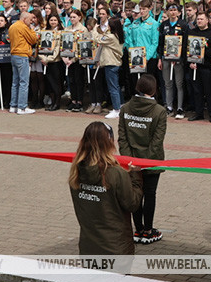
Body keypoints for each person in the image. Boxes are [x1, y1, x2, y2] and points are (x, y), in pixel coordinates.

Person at [69, 122, 142, 255]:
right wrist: (135, 177)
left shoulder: (76, 172)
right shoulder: (116, 173)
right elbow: (132, 204)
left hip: (88, 248)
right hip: (116, 249)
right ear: (109, 143)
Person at [117, 74, 167, 244]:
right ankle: (147, 230)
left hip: (131, 162)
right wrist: (145, 163)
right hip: (151, 162)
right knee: (150, 194)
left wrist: (129, 160)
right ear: (153, 90)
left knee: (136, 194)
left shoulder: (125, 108)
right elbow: (157, 141)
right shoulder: (159, 111)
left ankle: (137, 230)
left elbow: (122, 138)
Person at [8, 11, 39, 115]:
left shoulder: (12, 26)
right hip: (22, 55)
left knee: (15, 82)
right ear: (24, 19)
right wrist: (33, 30)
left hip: (14, 55)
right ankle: (22, 107)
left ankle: (13, 105)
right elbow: (33, 39)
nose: (31, 22)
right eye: (30, 20)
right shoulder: (23, 27)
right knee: (24, 82)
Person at [96, 18, 125, 119]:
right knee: (116, 86)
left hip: (111, 63)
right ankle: (120, 105)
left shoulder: (111, 37)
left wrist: (96, 29)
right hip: (114, 63)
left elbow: (98, 39)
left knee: (112, 88)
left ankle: (116, 109)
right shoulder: (117, 35)